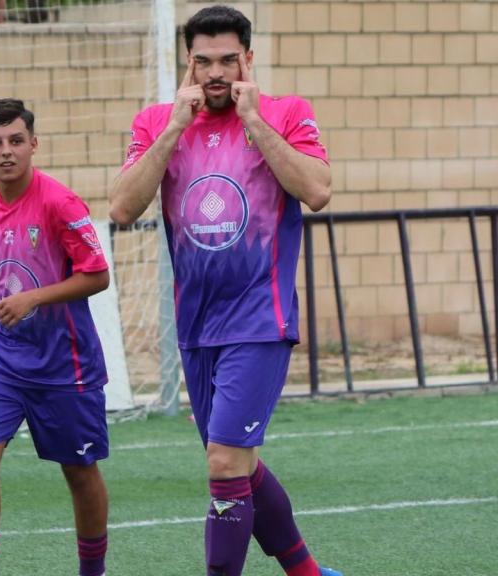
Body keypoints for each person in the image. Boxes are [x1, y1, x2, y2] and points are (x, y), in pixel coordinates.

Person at [109, 6, 341, 576]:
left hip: (261, 316)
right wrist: (172, 131)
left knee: (223, 463)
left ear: (249, 60)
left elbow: (316, 190)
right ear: (187, 63)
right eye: (204, 61)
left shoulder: (286, 113)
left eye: (228, 61)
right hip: (195, 322)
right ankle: (307, 572)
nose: (216, 73)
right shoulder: (157, 121)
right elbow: (120, 207)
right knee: (239, 464)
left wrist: (257, 123)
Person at [0, 99, 111, 576]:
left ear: (33, 145)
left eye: (16, 142)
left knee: (79, 471)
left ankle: (93, 572)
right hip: (3, 359)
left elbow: (98, 275)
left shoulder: (60, 203)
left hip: (65, 364)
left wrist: (34, 298)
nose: (7, 152)